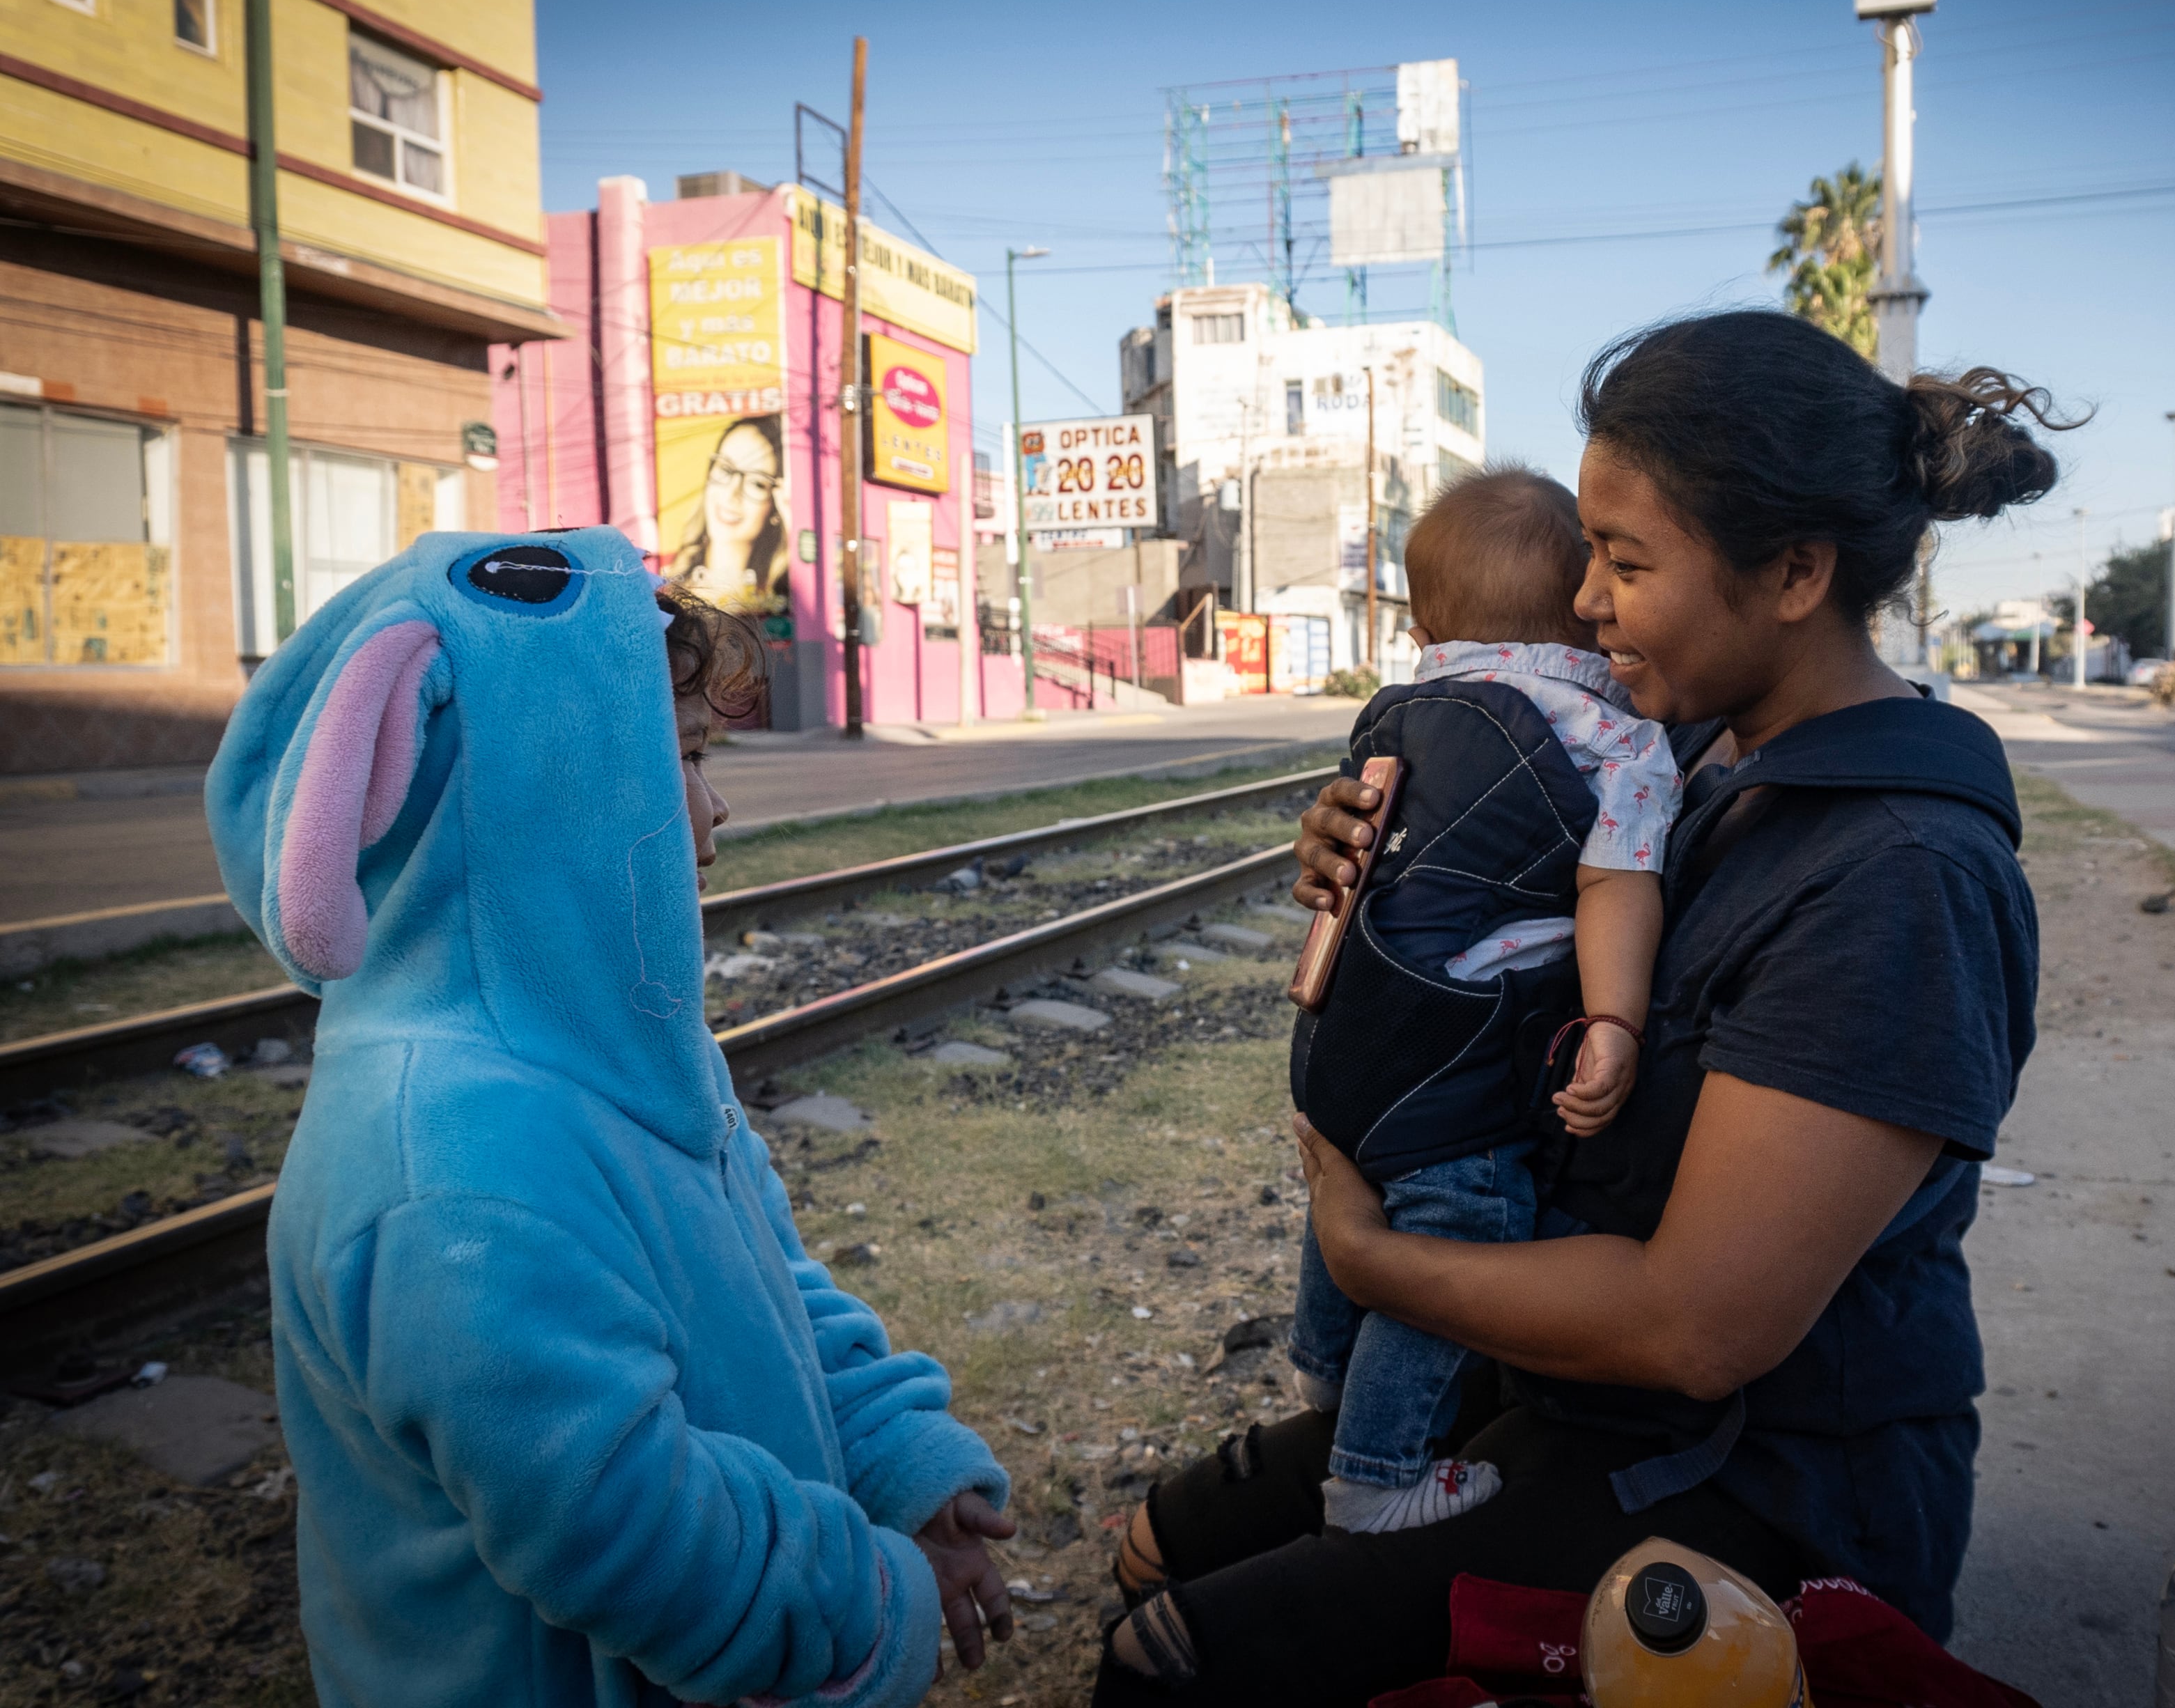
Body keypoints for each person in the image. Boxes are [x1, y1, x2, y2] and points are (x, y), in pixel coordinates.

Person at [1094, 311, 2063, 1705]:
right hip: (1577, 1396)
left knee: (1176, 1660)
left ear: (1795, 571)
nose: (1586, 603)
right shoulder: (1696, 754)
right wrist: (1376, 867)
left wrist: (1366, 1261)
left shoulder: (1897, 878)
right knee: (1162, 1541)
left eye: (1626, 561)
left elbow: (1694, 1325)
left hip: (1761, 1490)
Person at [205, 529, 1012, 1708]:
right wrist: (878, 1595)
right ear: (550, 792)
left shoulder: (615, 1056)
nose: (713, 803)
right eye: (675, 758)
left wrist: (896, 1456)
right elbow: (624, 1525)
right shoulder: (447, 1159)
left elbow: (770, 1285)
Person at [1285, 468, 1680, 1538]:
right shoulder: (1618, 735)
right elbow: (1615, 882)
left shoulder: (1396, 710)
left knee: (1351, 1175)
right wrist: (1613, 1022)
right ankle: (1374, 1470)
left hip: (1337, 1034)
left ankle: (1323, 1366)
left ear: (1424, 620)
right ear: (1582, 607)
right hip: (1460, 1058)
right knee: (1465, 1227)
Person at [668, 414, 790, 612]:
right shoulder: (669, 585)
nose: (732, 494)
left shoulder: (783, 597)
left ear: (776, 506)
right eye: (726, 469)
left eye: (757, 483)